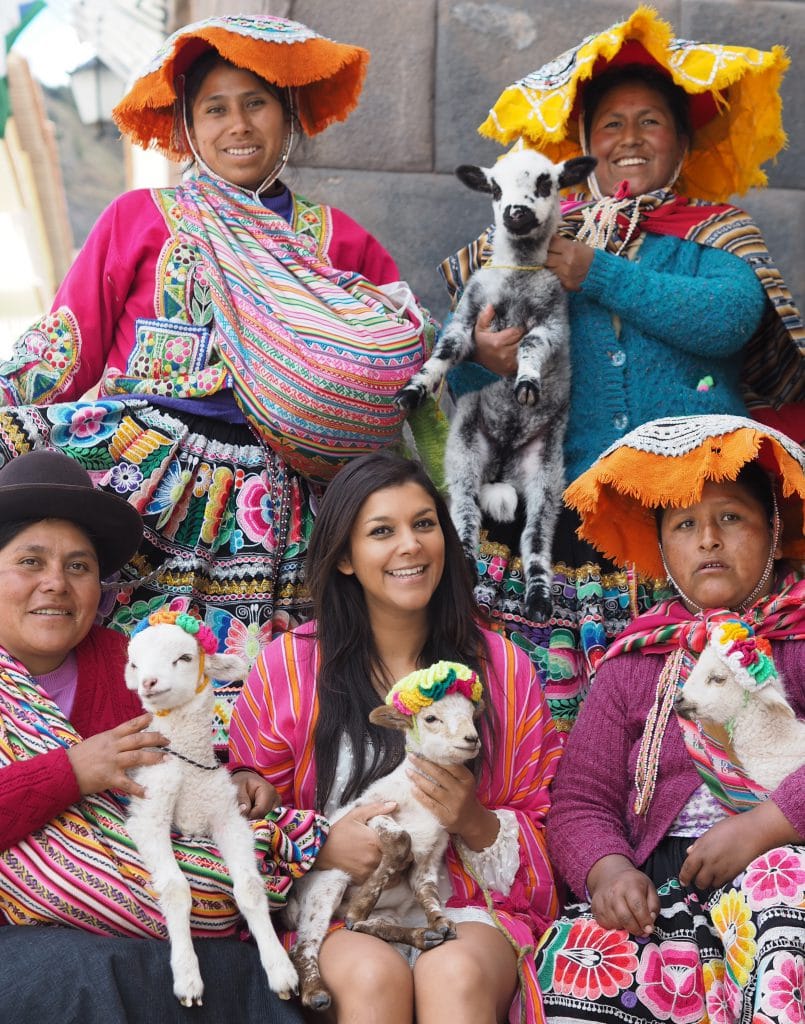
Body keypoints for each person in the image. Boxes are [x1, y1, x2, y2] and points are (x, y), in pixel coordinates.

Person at [0, 14, 443, 747]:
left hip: (282, 500)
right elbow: (62, 352)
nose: (237, 124)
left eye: (256, 103)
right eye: (214, 108)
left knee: (248, 691)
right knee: (105, 661)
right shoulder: (139, 219)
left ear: (288, 116)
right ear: (185, 125)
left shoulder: (340, 242)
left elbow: (395, 366)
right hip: (143, 478)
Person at [439, 7, 804, 728]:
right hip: (573, 516)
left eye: (649, 123)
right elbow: (474, 390)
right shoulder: (529, 245)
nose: (628, 139)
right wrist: (480, 359)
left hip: (695, 521)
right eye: (609, 125)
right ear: (580, 148)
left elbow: (726, 321)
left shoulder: (712, 235)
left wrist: (597, 273)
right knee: (571, 712)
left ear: (681, 141)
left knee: (702, 713)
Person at [228, 451, 562, 1024]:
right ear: (346, 559)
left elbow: (543, 819)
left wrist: (474, 822)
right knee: (371, 975)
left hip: (463, 902)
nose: (410, 545)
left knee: (453, 973)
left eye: (424, 524)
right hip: (338, 910)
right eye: (382, 531)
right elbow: (243, 812)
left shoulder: (503, 670)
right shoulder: (287, 669)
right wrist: (321, 846)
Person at [0, 449, 325, 1023]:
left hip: (150, 917)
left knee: (240, 977)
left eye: (78, 566)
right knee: (79, 977)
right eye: (30, 561)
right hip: (25, 935)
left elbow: (187, 763)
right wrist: (71, 772)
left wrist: (238, 785)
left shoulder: (128, 665)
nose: (55, 583)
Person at [534, 414, 805, 1024]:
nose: (708, 538)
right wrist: (609, 872)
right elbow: (581, 799)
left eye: (731, 517)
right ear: (663, 549)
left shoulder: (799, 639)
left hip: (785, 865)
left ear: (774, 532)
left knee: (784, 901)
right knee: (580, 964)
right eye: (685, 524)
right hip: (662, 887)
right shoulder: (637, 659)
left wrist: (766, 827)